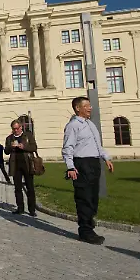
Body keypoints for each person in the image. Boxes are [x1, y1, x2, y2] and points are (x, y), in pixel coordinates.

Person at [62, 96, 114, 244]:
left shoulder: (90, 124)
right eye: (87, 106)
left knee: (93, 197)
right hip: (81, 164)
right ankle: (84, 230)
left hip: (94, 162)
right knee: (84, 197)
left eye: (90, 106)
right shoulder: (73, 126)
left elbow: (98, 144)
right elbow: (68, 147)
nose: (90, 108)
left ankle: (89, 226)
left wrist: (106, 158)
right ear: (78, 108)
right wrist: (70, 166)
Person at [4, 120, 37, 216]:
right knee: (17, 188)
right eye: (14, 129)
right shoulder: (9, 138)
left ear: (21, 127)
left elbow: (34, 147)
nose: (16, 130)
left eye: (17, 128)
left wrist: (24, 147)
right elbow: (6, 151)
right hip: (16, 165)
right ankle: (20, 208)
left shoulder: (28, 135)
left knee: (30, 187)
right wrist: (11, 147)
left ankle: (32, 210)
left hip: (27, 164)